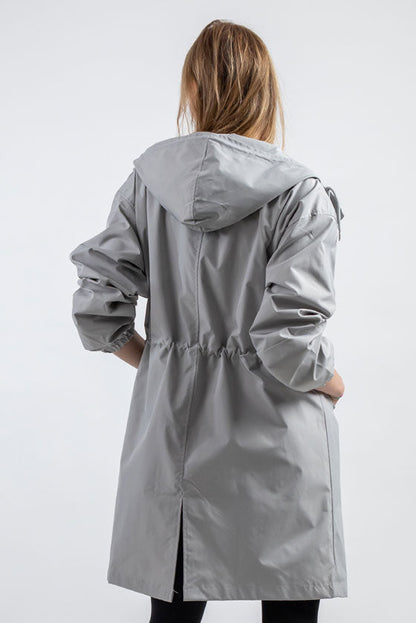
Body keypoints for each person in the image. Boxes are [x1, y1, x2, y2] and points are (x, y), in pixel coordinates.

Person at [69, 19, 347, 623]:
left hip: (176, 433)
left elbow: (97, 306)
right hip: (280, 440)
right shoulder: (299, 195)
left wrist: (159, 361)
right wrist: (333, 383)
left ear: (192, 89)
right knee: (291, 611)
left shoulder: (146, 185)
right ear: (265, 90)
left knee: (173, 612)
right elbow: (288, 343)